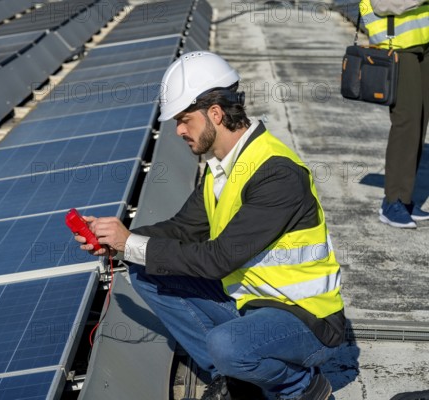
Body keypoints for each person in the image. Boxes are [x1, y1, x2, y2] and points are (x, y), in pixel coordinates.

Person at [74, 51, 345, 400]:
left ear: (215, 113)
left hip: (307, 320)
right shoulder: (223, 167)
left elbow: (217, 259)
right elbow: (183, 229)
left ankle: (302, 386)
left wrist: (132, 244)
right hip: (253, 301)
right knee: (146, 270)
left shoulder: (277, 173)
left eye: (185, 119)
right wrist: (119, 240)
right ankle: (233, 380)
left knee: (226, 343)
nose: (179, 130)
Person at [361, 0, 429, 228]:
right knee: (406, 120)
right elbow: (382, 4)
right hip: (397, 42)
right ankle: (392, 202)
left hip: (423, 39)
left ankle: (406, 198)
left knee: (421, 119)